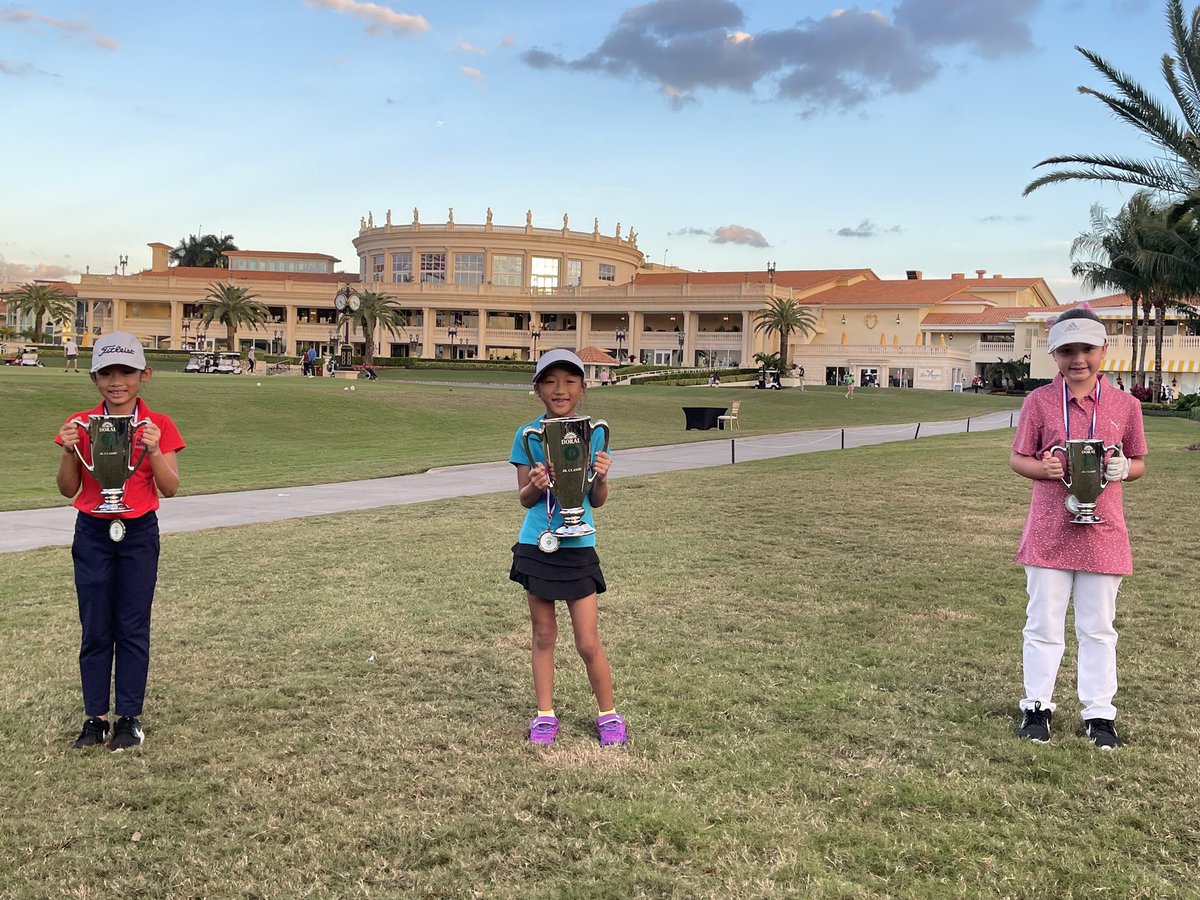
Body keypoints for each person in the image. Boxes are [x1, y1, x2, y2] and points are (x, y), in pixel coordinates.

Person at [1010, 307, 1146, 751]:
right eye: (1067, 350)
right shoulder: (1039, 402)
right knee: (1043, 622)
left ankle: (1100, 713)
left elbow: (1139, 460)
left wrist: (1126, 468)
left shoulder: (1126, 406)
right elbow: (1018, 458)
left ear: (1103, 350)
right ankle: (1037, 706)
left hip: (1103, 531)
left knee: (1098, 627)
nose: (1078, 359)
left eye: (1086, 349)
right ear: (1054, 354)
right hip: (1050, 528)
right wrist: (1042, 467)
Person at [54, 333, 185, 752]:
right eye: (107, 372)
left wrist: (156, 451)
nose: (117, 381)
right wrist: (68, 451)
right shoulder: (80, 423)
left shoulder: (159, 424)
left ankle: (128, 717)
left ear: (143, 375)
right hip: (93, 531)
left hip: (138, 532)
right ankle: (95, 718)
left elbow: (171, 489)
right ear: (94, 378)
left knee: (131, 625)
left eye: (126, 371)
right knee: (95, 627)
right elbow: (67, 489)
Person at [508, 349, 627, 748]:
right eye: (551, 381)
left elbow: (597, 499)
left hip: (579, 544)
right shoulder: (527, 435)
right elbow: (524, 499)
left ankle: (608, 714)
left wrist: (604, 476)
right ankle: (544, 716)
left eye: (570, 381)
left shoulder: (592, 433)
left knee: (588, 640)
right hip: (538, 544)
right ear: (538, 388)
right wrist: (536, 485)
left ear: (583, 388)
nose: (560, 389)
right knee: (543, 634)